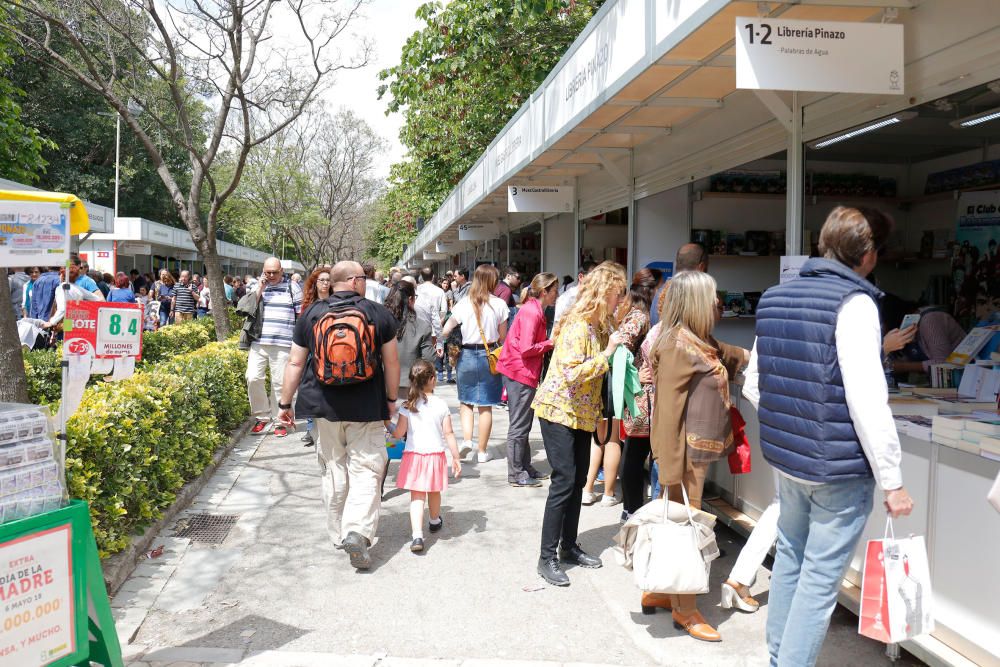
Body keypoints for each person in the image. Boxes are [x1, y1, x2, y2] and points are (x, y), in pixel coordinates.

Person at [744, 207, 913, 665]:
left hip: (789, 461)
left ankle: (780, 657)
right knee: (819, 581)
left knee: (791, 561)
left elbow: (754, 384)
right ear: (869, 255)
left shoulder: (778, 296)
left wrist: (796, 428)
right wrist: (893, 480)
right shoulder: (855, 304)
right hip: (837, 471)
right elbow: (866, 399)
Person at [643, 270, 749, 640]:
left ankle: (662, 590)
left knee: (679, 525)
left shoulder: (697, 340)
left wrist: (760, 355)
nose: (718, 303)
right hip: (684, 457)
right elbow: (667, 413)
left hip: (695, 453)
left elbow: (726, 355)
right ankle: (685, 608)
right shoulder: (678, 345)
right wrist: (669, 468)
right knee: (686, 528)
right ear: (695, 303)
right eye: (712, 297)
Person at [277, 260, 400, 570]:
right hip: (366, 405)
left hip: (322, 406)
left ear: (332, 283)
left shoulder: (311, 314)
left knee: (334, 468)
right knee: (367, 469)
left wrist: (284, 404)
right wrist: (391, 401)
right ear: (356, 281)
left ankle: (338, 533)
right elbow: (393, 363)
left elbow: (294, 363)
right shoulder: (377, 313)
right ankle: (356, 530)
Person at [532, 261, 626, 587]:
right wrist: (608, 354)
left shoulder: (600, 326)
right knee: (564, 480)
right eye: (616, 294)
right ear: (602, 294)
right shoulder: (578, 326)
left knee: (576, 482)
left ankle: (568, 545)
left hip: (583, 414)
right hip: (558, 410)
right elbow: (572, 373)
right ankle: (546, 558)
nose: (619, 300)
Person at [388, 360, 463, 553]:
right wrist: (455, 457)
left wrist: (387, 425)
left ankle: (417, 536)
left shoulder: (408, 405)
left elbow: (399, 434)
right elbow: (449, 434)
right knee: (434, 491)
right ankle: (434, 520)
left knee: (416, 496)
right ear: (431, 379)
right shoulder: (440, 404)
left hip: (414, 456)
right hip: (435, 456)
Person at [496, 272, 559, 487]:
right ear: (544, 292)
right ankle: (516, 473)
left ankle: (524, 467)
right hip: (520, 372)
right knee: (519, 426)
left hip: (521, 372)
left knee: (523, 423)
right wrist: (550, 343)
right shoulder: (532, 312)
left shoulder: (534, 309)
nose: (557, 294)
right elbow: (526, 348)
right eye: (554, 290)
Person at [441, 264, 508, 463]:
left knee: (466, 402)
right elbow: (503, 336)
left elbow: (445, 330)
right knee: (485, 406)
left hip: (467, 355)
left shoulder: (463, 303)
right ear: (493, 281)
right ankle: (482, 451)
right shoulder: (499, 305)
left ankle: (468, 440)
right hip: (489, 355)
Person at [614, 269, 660, 519]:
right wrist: (634, 374)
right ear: (651, 291)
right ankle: (631, 509)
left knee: (635, 451)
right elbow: (619, 348)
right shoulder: (640, 317)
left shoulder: (636, 313)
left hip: (640, 394)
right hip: (642, 395)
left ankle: (631, 508)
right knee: (635, 452)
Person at [247, 258, 303, 438]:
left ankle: (281, 420)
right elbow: (247, 308)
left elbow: (300, 315)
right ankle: (262, 416)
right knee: (253, 377)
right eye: (268, 272)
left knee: (280, 384)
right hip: (258, 341)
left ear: (282, 271)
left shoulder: (292, 287)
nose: (271, 276)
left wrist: (300, 341)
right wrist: (260, 288)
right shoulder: (257, 286)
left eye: (275, 272)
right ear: (263, 271)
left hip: (284, 343)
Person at [297, 266, 333, 447]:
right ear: (315, 283)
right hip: (312, 351)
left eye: (328, 280)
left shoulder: (336, 302)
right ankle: (311, 429)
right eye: (322, 280)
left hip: (331, 351)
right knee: (310, 389)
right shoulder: (308, 305)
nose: (325, 283)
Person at [385, 281, 435, 400]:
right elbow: (428, 359)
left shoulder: (381, 322)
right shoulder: (423, 326)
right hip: (412, 386)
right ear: (411, 299)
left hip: (384, 384)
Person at [415, 267, 447, 347]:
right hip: (435, 330)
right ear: (433, 276)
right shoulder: (440, 291)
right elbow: (443, 311)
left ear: (421, 277)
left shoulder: (416, 290)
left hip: (418, 328)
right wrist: (438, 326)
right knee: (435, 354)